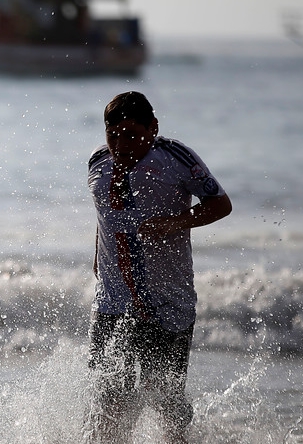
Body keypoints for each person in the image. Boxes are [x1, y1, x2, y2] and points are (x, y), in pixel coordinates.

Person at [84, 91, 232, 444]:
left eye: (132, 134)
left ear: (153, 128)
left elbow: (220, 204)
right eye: (113, 134)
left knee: (164, 397)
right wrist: (97, 261)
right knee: (106, 395)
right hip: (111, 301)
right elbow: (105, 218)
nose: (121, 143)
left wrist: (174, 222)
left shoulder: (176, 158)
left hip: (167, 303)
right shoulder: (96, 163)